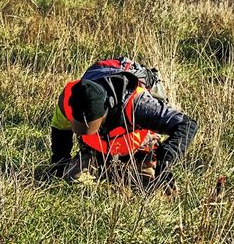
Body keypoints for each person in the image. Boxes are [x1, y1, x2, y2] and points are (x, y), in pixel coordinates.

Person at [49, 57, 198, 193]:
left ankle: (137, 165)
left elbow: (187, 125)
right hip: (96, 150)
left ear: (107, 110)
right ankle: (105, 166)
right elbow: (60, 129)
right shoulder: (70, 96)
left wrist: (165, 160)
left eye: (93, 126)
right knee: (72, 181)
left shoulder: (138, 104)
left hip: (138, 147)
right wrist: (59, 163)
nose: (86, 131)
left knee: (152, 190)